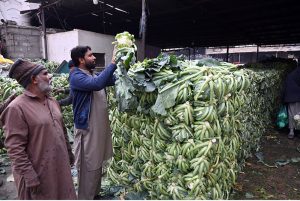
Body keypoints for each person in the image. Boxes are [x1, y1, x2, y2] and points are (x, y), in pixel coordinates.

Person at [0, 59, 77, 199]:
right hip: (38, 174)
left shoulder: (52, 101)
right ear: (34, 79)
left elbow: (62, 129)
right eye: (45, 73)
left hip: (60, 166)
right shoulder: (16, 108)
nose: (50, 76)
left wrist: (68, 152)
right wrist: (29, 176)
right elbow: (14, 148)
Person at [70, 45, 116, 199]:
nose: (94, 57)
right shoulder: (77, 76)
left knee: (96, 165)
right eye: (90, 55)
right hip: (88, 128)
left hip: (99, 127)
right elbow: (97, 85)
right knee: (88, 166)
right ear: (81, 60)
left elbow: (109, 79)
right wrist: (113, 62)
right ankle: (85, 197)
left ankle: (95, 195)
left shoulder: (91, 74)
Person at [283, 64, 300, 139]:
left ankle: (291, 132)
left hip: (290, 97)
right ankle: (298, 131)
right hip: (298, 97)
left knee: (291, 114)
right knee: (298, 114)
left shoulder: (291, 74)